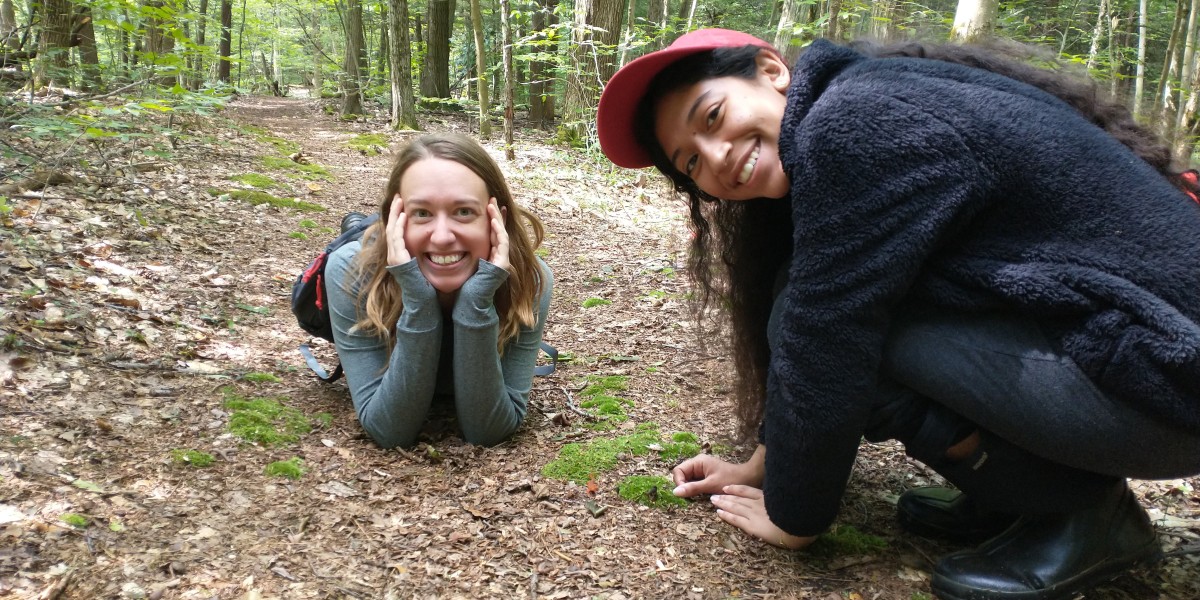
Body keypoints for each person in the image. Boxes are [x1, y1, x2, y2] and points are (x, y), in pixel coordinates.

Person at [596, 28, 1200, 600]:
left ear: (772, 71)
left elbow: (825, 333)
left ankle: (1077, 510)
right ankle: (1022, 490)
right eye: (691, 163)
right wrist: (763, 462)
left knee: (839, 332)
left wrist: (793, 515)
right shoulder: (864, 100)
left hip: (1170, 383)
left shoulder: (853, 124)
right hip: (1150, 362)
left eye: (712, 117)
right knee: (818, 305)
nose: (716, 157)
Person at [325, 133, 553, 449]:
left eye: (463, 211)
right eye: (422, 213)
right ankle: (357, 227)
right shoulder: (349, 273)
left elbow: (488, 431)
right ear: (396, 220)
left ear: (495, 218)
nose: (443, 236)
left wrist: (477, 298)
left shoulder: (530, 280)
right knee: (357, 241)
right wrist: (418, 299)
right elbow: (388, 430)